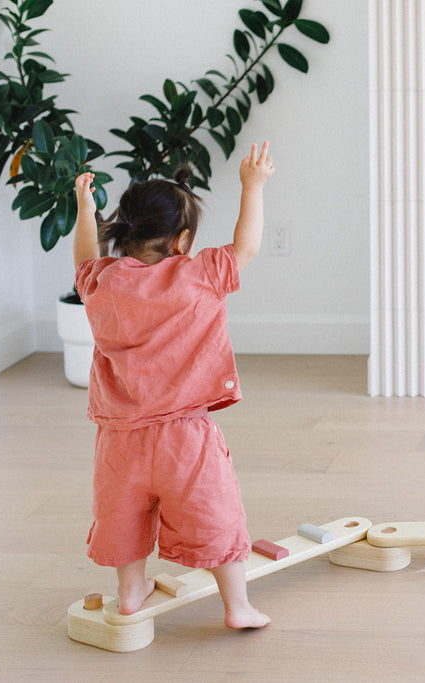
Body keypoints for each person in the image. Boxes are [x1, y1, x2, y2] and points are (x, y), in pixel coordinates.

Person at [72, 142, 276, 628]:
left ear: (123, 233)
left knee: (122, 517)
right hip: (185, 437)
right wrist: (253, 186)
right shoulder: (200, 275)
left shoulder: (102, 281)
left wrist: (84, 208)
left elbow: (83, 260)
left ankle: (129, 593)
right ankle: (238, 607)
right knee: (215, 512)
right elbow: (246, 246)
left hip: (119, 438)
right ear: (182, 242)